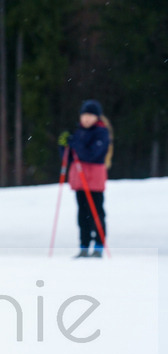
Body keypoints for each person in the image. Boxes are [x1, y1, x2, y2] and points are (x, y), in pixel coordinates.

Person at [59, 99, 111, 258]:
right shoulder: (78, 132)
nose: (86, 119)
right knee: (82, 214)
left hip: (94, 180)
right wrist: (64, 146)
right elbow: (69, 158)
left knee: (96, 212)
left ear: (97, 117)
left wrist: (74, 143)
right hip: (79, 180)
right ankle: (84, 245)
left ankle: (99, 245)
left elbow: (91, 155)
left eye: (90, 115)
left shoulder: (101, 132)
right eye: (84, 115)